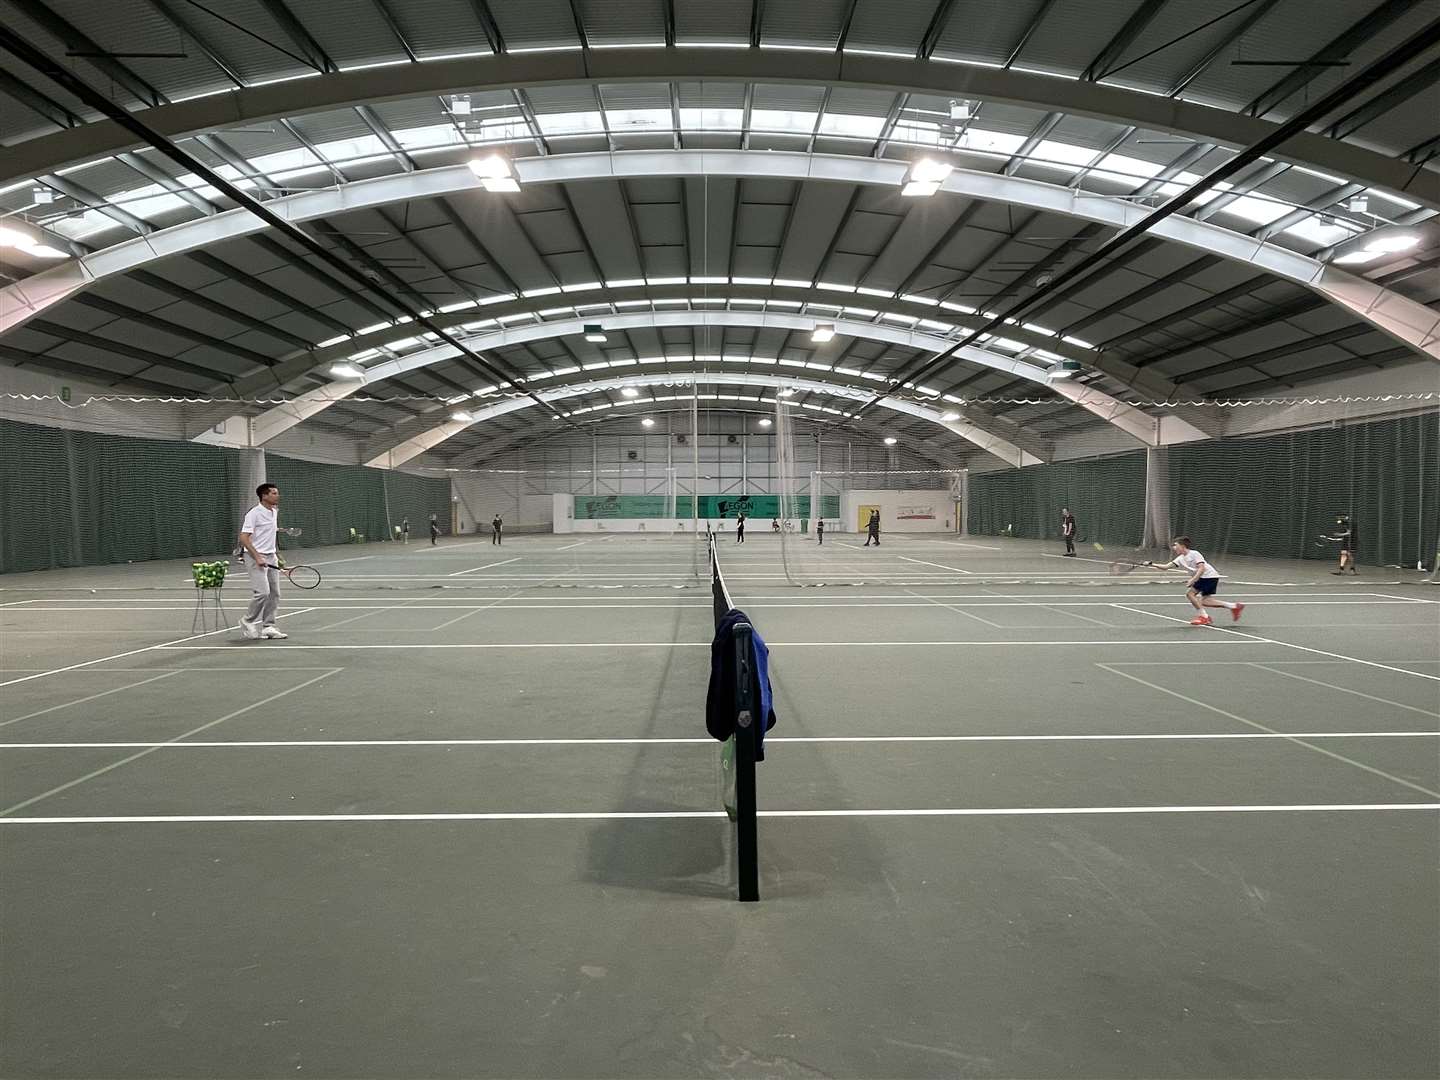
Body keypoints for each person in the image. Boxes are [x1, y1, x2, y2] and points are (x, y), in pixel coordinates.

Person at [1149, 537, 1244, 627]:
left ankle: (1204, 617)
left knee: (1190, 594)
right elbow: (1166, 567)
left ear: (1182, 546)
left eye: (1176, 545)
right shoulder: (1180, 558)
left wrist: (1193, 579)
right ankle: (1234, 606)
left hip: (1208, 576)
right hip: (1205, 577)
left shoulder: (1194, 554)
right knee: (1206, 601)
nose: (1174, 547)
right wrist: (1151, 564)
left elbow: (1201, 568)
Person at [237, 483, 287, 641]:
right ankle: (247, 620)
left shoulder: (274, 511)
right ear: (264, 496)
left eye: (277, 493)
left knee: (274, 593)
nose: (277, 495)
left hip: (271, 556)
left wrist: (278, 557)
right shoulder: (254, 513)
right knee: (262, 593)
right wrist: (257, 556)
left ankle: (268, 626)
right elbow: (243, 537)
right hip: (254, 557)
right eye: (273, 493)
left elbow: (270, 536)